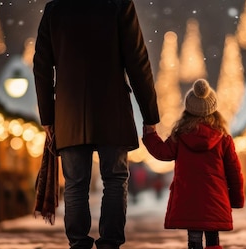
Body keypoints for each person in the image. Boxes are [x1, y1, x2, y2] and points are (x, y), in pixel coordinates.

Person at [32, 0, 160, 248]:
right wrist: (150, 115)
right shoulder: (119, 4)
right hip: (111, 106)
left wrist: (47, 116)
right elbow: (137, 60)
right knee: (114, 179)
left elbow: (42, 65)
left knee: (75, 183)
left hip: (69, 110)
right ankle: (110, 243)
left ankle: (78, 243)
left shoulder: (55, 9)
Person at [142, 79, 244, 249]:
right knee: (213, 239)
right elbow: (234, 172)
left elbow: (162, 152)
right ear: (213, 110)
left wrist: (150, 133)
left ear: (188, 110)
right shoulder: (223, 139)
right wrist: (236, 199)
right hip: (215, 199)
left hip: (189, 198)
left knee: (194, 239)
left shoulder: (181, 136)